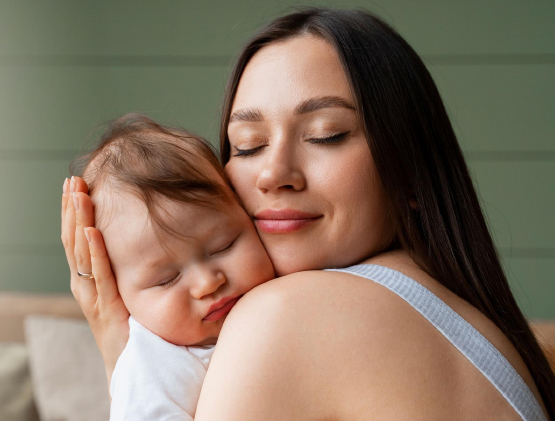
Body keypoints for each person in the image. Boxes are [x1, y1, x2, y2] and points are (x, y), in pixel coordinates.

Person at [61, 7, 555, 420]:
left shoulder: (286, 314)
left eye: (326, 135)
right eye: (247, 145)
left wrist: (120, 353)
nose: (275, 173)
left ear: (409, 170)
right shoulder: (457, 311)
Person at [67, 114, 275, 419]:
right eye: (166, 279)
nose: (208, 283)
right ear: (119, 294)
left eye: (224, 246)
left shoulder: (293, 292)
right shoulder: (152, 367)